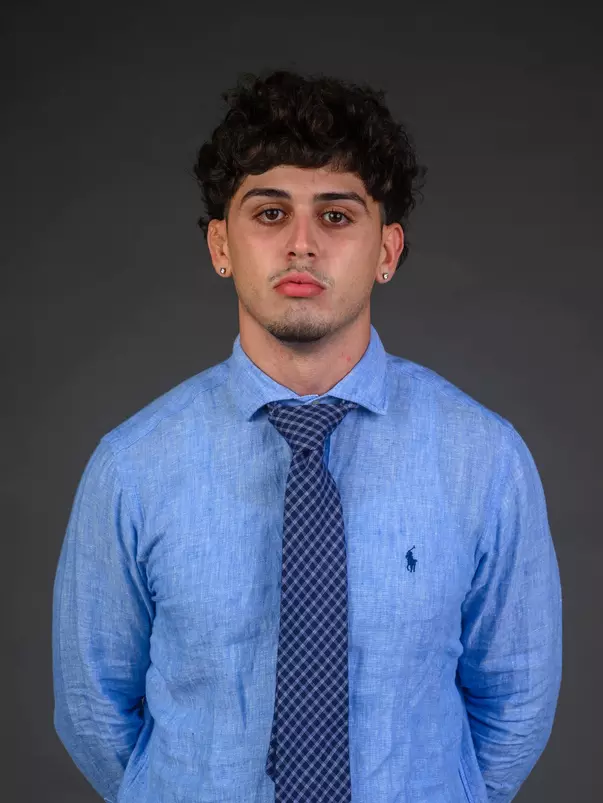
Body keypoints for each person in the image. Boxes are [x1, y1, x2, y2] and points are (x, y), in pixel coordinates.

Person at [52, 68, 562, 803]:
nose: (300, 245)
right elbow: (92, 710)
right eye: (267, 213)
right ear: (220, 245)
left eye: (334, 215)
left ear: (386, 250)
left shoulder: (484, 460)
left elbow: (515, 702)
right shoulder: (131, 466)